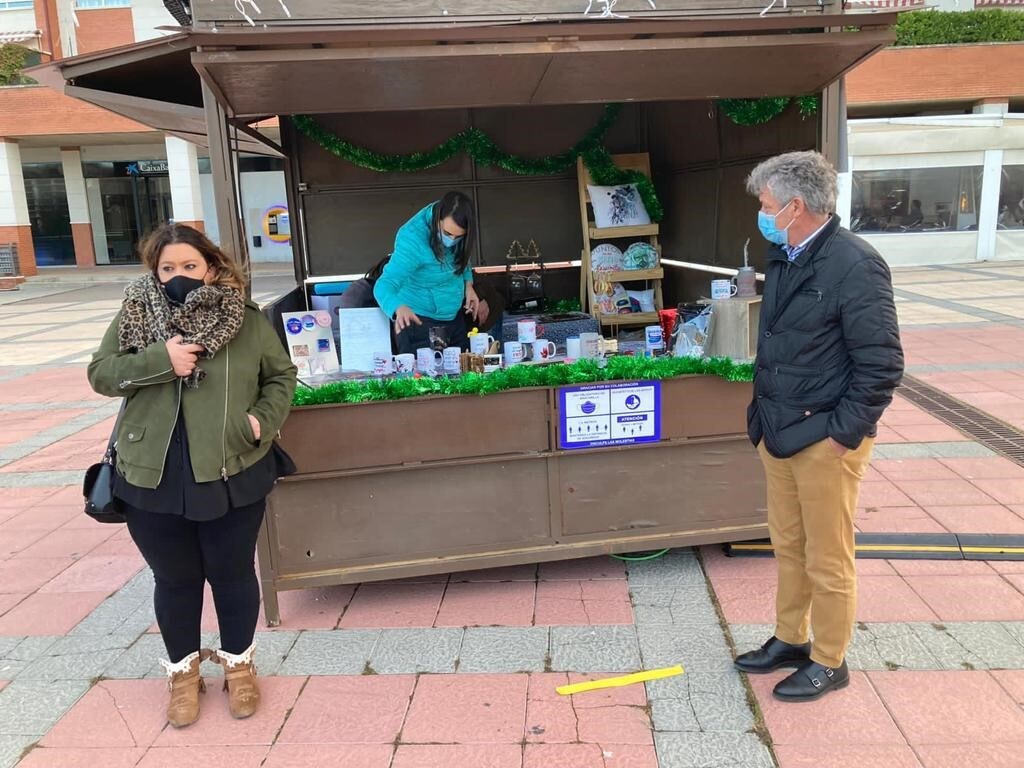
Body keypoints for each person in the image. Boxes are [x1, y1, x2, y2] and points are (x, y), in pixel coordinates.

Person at [87, 223, 297, 727]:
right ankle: (183, 675)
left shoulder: (244, 319)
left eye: (188, 266)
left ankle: (239, 667)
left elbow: (281, 376)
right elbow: (101, 373)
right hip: (150, 474)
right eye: (167, 268)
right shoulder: (135, 313)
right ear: (154, 272)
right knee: (176, 579)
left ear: (210, 267)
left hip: (231, 465)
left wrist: (259, 422)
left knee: (231, 574)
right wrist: (163, 359)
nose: (178, 276)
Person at [737, 151, 904, 702]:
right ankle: (790, 638)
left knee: (828, 557)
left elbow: (881, 364)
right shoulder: (786, 252)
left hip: (824, 438)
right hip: (779, 430)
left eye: (765, 205)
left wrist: (842, 434)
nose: (761, 214)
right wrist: (761, 418)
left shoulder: (855, 263)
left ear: (795, 206)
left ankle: (830, 659)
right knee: (788, 545)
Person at [374, 191, 487, 353]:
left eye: (458, 237)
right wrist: (398, 307)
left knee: (464, 374)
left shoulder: (461, 234)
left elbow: (463, 260)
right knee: (424, 377)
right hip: (418, 319)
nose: (452, 240)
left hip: (453, 318)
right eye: (447, 234)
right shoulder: (413, 239)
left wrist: (468, 286)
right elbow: (384, 285)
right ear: (437, 220)